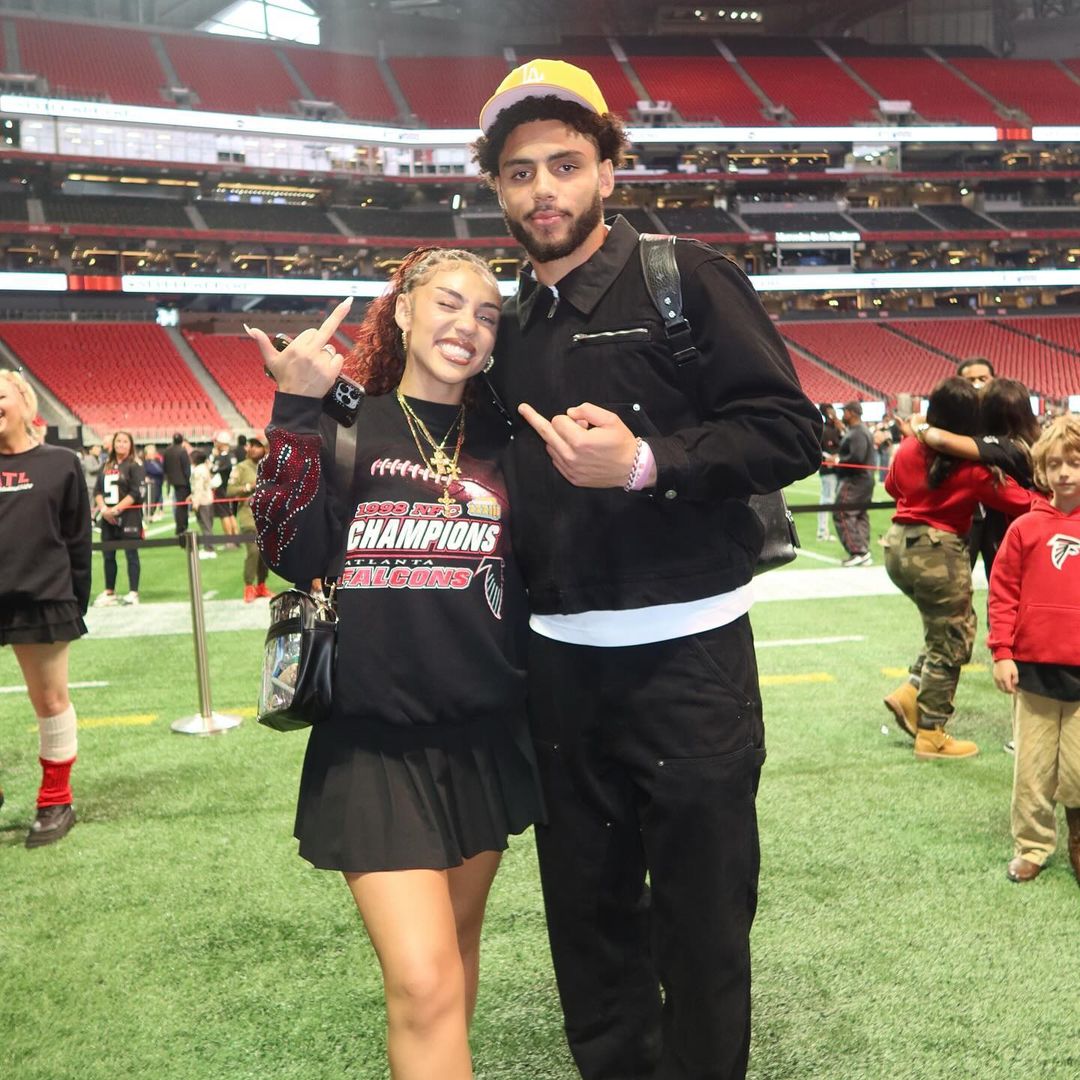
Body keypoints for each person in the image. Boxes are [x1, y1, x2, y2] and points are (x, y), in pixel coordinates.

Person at [472, 60, 821, 1080]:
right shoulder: (510, 325)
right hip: (556, 674)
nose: (544, 189)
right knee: (589, 929)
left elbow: (787, 432)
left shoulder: (686, 277)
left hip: (691, 665)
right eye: (521, 171)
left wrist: (646, 462)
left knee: (703, 926)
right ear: (496, 189)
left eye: (566, 165)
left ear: (610, 172)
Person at [248, 250, 543, 1080]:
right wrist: (294, 406)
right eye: (448, 304)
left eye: (487, 315)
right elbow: (287, 547)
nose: (467, 325)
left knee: (452, 957)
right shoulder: (349, 424)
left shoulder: (508, 440)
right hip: (372, 741)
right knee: (422, 981)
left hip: (484, 735)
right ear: (404, 313)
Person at [881, 377, 1036, 758]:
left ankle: (909, 693)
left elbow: (890, 487)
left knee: (945, 630)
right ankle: (932, 732)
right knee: (953, 642)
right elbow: (1023, 504)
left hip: (897, 545)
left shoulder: (908, 447)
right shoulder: (973, 469)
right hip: (937, 553)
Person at [0, 370, 90, 848]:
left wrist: (78, 600)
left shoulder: (61, 463)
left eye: (0, 395)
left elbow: (78, 539)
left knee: (50, 702)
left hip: (44, 598)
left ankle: (56, 800)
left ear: (23, 400)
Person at [988, 415, 1080, 883]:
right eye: (1056, 464)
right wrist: (1002, 651)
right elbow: (1002, 593)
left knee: (1078, 770)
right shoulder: (1025, 528)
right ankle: (1033, 845)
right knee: (1033, 769)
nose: (1065, 472)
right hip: (1035, 669)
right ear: (1042, 470)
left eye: (1075, 463)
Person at [93, 431, 145, 606]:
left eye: (125, 441)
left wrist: (116, 509)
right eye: (118, 441)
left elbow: (135, 492)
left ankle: (133, 592)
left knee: (131, 554)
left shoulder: (134, 465)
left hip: (129, 516)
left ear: (130, 445)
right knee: (108, 555)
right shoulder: (106, 465)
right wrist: (104, 510)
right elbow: (97, 491)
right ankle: (110, 591)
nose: (121, 444)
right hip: (108, 518)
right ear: (113, 444)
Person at [830, 400, 876, 566]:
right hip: (865, 479)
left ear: (852, 413)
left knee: (842, 511)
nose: (843, 414)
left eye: (845, 411)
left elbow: (856, 458)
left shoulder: (857, 433)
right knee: (859, 514)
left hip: (855, 479)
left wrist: (837, 461)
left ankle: (857, 551)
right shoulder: (860, 430)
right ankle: (863, 551)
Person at [225, 436, 270, 601]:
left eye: (259, 446)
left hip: (267, 517)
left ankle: (262, 585)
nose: (256, 449)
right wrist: (248, 487)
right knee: (254, 551)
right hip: (248, 516)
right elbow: (229, 490)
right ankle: (249, 586)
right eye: (254, 446)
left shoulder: (268, 466)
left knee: (266, 554)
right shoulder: (241, 468)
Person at [817, 403, 842, 541]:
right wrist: (828, 457)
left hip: (838, 469)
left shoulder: (838, 428)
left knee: (832, 500)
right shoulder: (822, 429)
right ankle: (822, 532)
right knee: (827, 500)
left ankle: (825, 531)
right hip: (827, 470)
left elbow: (844, 445)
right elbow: (818, 449)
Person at [210, 430, 239, 544]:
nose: (215, 443)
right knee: (230, 513)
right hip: (229, 487)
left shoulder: (222, 457)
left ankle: (229, 540)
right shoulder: (232, 455)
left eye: (217, 441)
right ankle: (236, 538)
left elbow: (213, 470)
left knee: (224, 514)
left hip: (222, 488)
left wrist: (213, 457)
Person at [162, 432, 191, 541]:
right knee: (182, 506)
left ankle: (180, 527)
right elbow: (186, 468)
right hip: (183, 482)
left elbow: (164, 467)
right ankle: (181, 528)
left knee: (179, 505)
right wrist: (188, 481)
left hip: (172, 481)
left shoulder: (167, 450)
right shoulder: (182, 451)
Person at [188, 449, 216, 559]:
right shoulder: (204, 468)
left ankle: (209, 549)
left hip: (202, 501)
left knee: (205, 525)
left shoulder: (198, 471)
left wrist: (195, 503)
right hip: (208, 499)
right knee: (208, 525)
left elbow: (198, 488)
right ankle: (209, 546)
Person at [142, 442, 164, 521]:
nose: (153, 454)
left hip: (159, 484)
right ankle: (148, 514)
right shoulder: (145, 463)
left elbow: (161, 471)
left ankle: (152, 513)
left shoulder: (157, 462)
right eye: (151, 453)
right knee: (151, 500)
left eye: (154, 452)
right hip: (151, 485)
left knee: (157, 499)